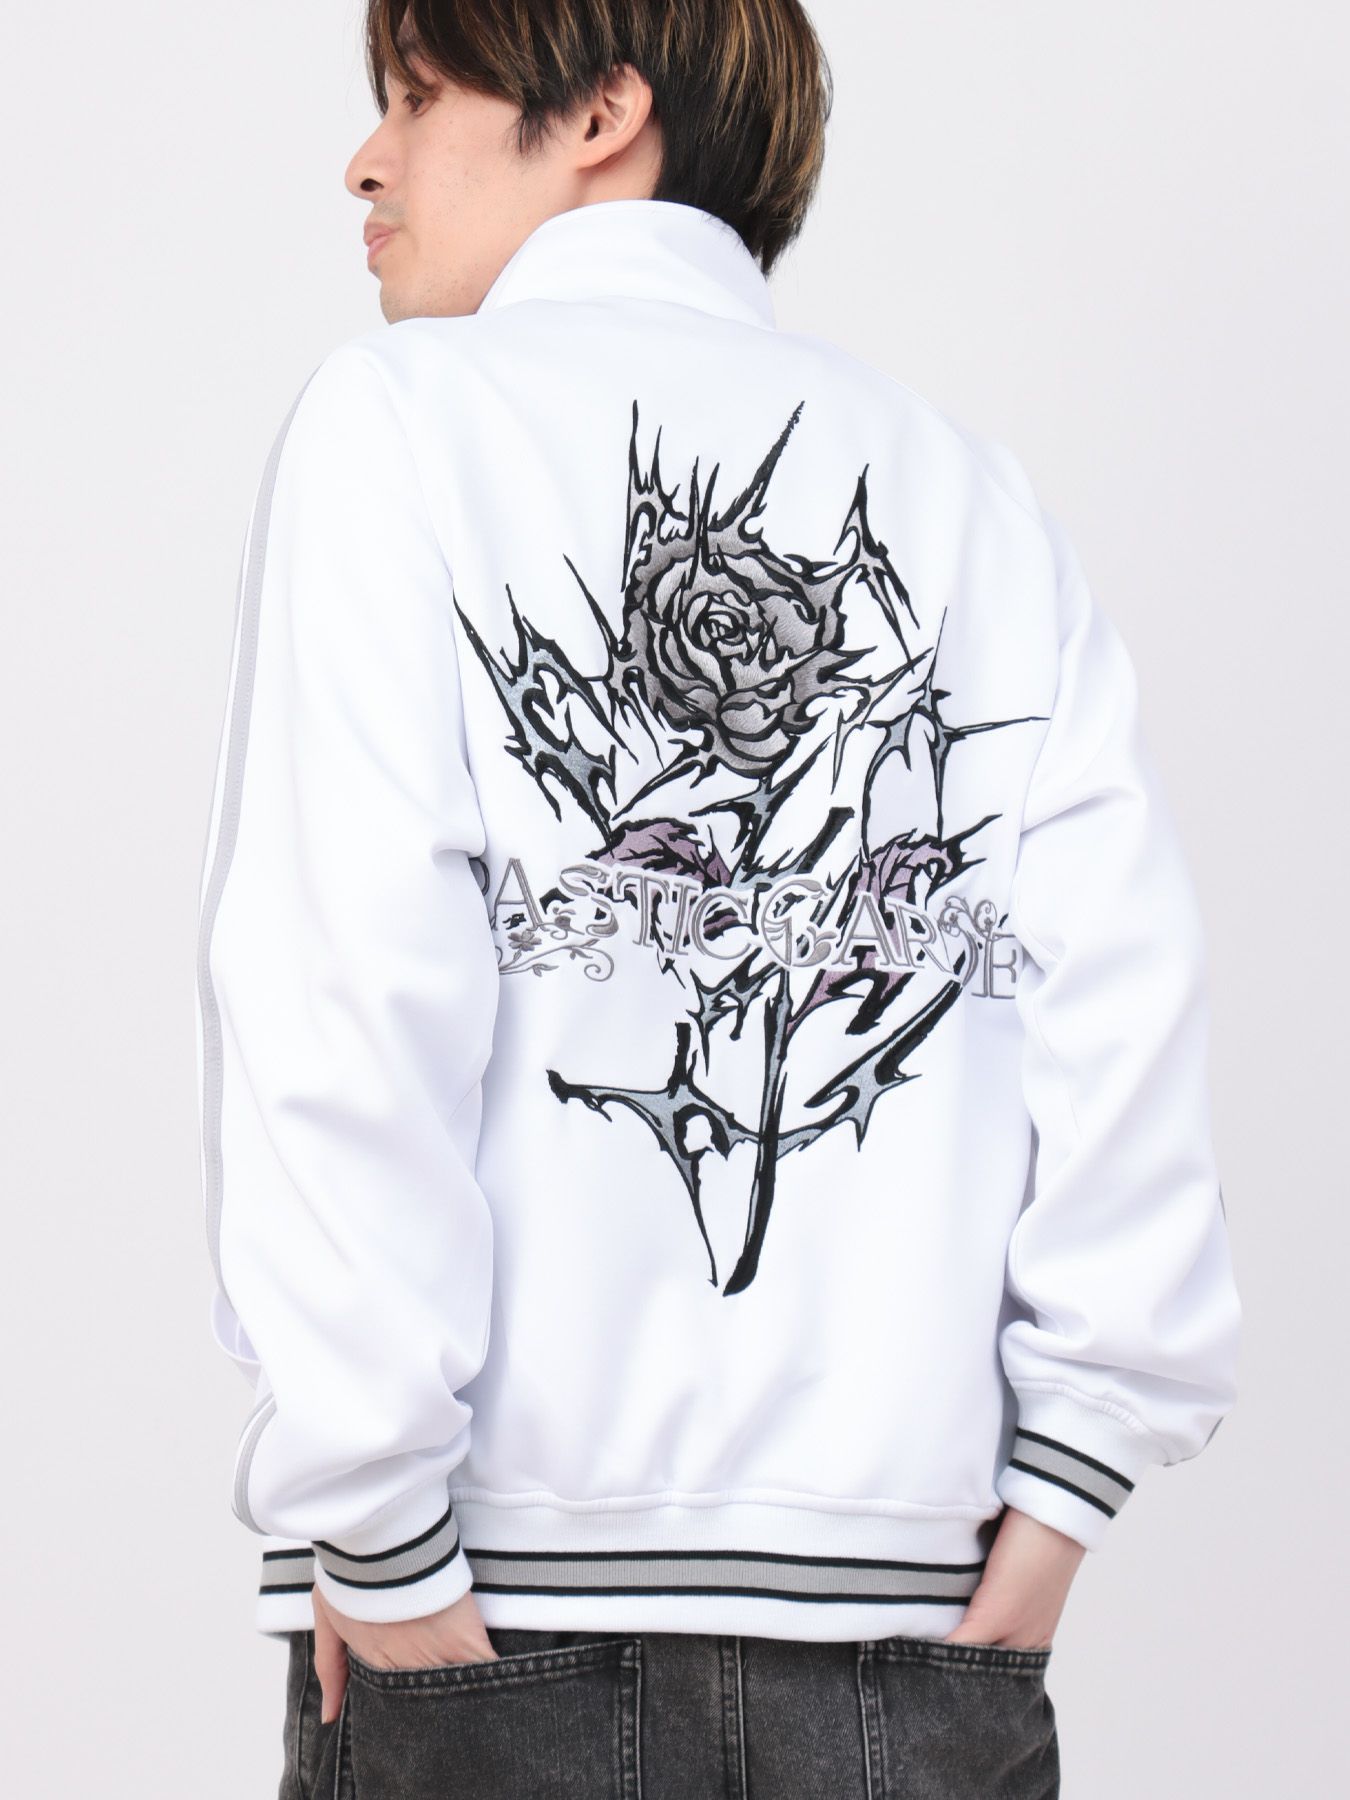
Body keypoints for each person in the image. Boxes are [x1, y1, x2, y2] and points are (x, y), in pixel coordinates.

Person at [194, 3, 1243, 1795]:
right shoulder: (968, 490)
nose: (366, 163)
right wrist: (1069, 1486)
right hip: (918, 1639)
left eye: (420, 95)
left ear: (605, 107)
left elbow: (338, 992)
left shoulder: (403, 420)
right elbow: (1124, 1003)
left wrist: (372, 1520)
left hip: (495, 1615)